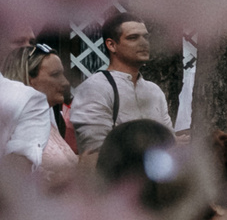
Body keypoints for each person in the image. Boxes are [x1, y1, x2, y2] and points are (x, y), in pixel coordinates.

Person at [67, 10, 171, 166]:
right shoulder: (94, 88)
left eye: (146, 37)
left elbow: (170, 141)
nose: (143, 43)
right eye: (133, 38)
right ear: (111, 45)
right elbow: (96, 153)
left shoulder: (154, 90)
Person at [3, 36, 76, 180]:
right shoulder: (12, 125)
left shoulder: (51, 120)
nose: (65, 82)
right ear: (29, 79)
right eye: (55, 75)